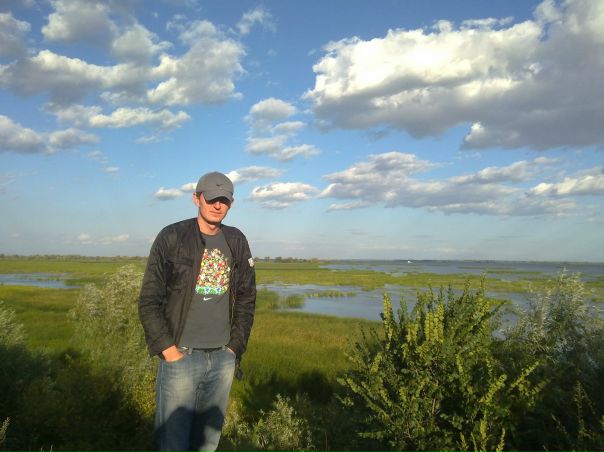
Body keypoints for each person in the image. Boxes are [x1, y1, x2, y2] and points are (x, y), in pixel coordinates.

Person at [138, 171, 256, 452]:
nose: (218, 205)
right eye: (211, 199)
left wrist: (234, 348)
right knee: (173, 443)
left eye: (224, 200)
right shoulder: (172, 237)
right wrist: (169, 351)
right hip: (181, 356)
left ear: (231, 203)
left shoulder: (237, 241)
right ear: (196, 199)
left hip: (222, 358)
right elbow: (148, 300)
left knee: (207, 443)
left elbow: (247, 298)